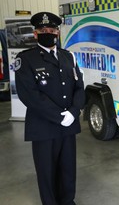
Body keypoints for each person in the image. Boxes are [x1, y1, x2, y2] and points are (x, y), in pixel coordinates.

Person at [14, 12, 85, 205]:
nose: (48, 33)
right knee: (47, 171)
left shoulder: (68, 57)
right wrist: (58, 116)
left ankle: (68, 201)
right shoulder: (26, 59)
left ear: (58, 32)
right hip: (43, 127)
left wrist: (74, 111)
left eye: (52, 30)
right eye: (43, 30)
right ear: (35, 33)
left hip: (68, 125)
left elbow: (79, 88)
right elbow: (29, 95)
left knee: (68, 168)